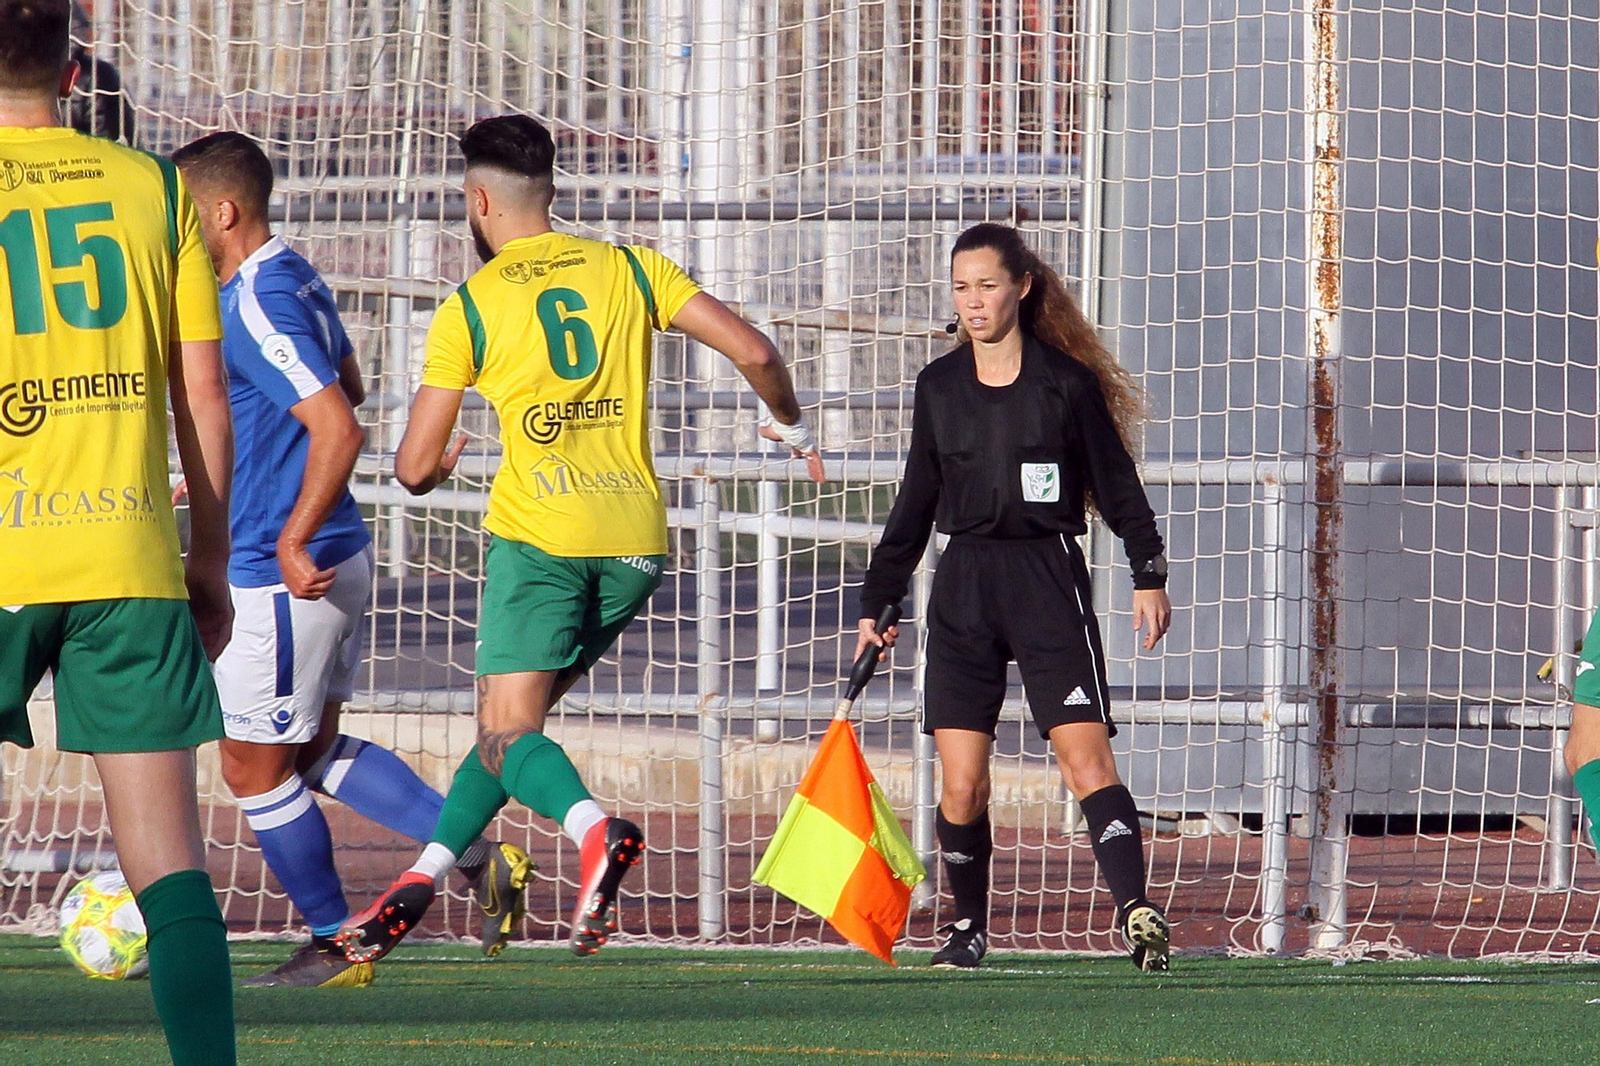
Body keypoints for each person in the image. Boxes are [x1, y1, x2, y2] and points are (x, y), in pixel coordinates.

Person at [336, 113, 825, 963]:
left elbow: (412, 469)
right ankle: (416, 887)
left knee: (506, 732)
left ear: (478, 200)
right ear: (551, 193)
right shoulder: (632, 267)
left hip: (541, 539)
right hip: (635, 541)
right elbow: (753, 348)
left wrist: (440, 465)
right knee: (506, 732)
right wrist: (784, 423)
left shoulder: (472, 306)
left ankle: (597, 833)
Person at [172, 130, 510, 985]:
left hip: (286, 567)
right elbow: (344, 387)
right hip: (331, 552)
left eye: (182, 217)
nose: (174, 234)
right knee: (313, 747)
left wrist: (286, 532)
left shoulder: (251, 299)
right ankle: (467, 846)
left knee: (250, 767)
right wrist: (232, 469)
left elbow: (340, 423)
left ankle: (338, 941)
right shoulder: (297, 274)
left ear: (222, 211)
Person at [0, 3, 237, 1062]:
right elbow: (204, 395)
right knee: (171, 866)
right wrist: (210, 559)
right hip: (129, 557)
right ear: (72, 57)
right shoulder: (151, 187)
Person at [855, 223, 1175, 972]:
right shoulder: (937, 385)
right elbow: (915, 501)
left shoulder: (1066, 383)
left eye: (988, 285)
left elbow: (1118, 484)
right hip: (964, 588)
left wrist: (1148, 574)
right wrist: (881, 597)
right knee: (961, 783)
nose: (973, 301)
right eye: (962, 286)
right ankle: (967, 930)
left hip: (1046, 583)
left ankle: (1136, 911)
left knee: (1084, 761)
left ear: (1022, 286)